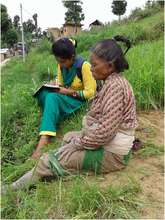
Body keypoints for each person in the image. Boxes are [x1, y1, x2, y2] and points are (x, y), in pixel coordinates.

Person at [3, 35, 138, 193]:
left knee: (46, 161)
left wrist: (79, 143)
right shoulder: (112, 81)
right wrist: (79, 138)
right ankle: (61, 166)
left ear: (110, 66)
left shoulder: (115, 87)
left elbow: (104, 133)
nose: (92, 68)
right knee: (68, 137)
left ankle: (10, 190)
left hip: (113, 155)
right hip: (109, 143)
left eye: (94, 65)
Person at [32, 37, 96, 159]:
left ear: (72, 57)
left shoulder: (84, 66)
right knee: (43, 94)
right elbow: (61, 83)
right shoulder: (61, 66)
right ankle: (52, 114)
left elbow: (91, 93)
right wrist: (55, 86)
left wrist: (68, 92)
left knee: (52, 98)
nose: (60, 64)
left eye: (62, 61)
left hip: (79, 100)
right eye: (58, 61)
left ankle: (45, 139)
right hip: (67, 95)